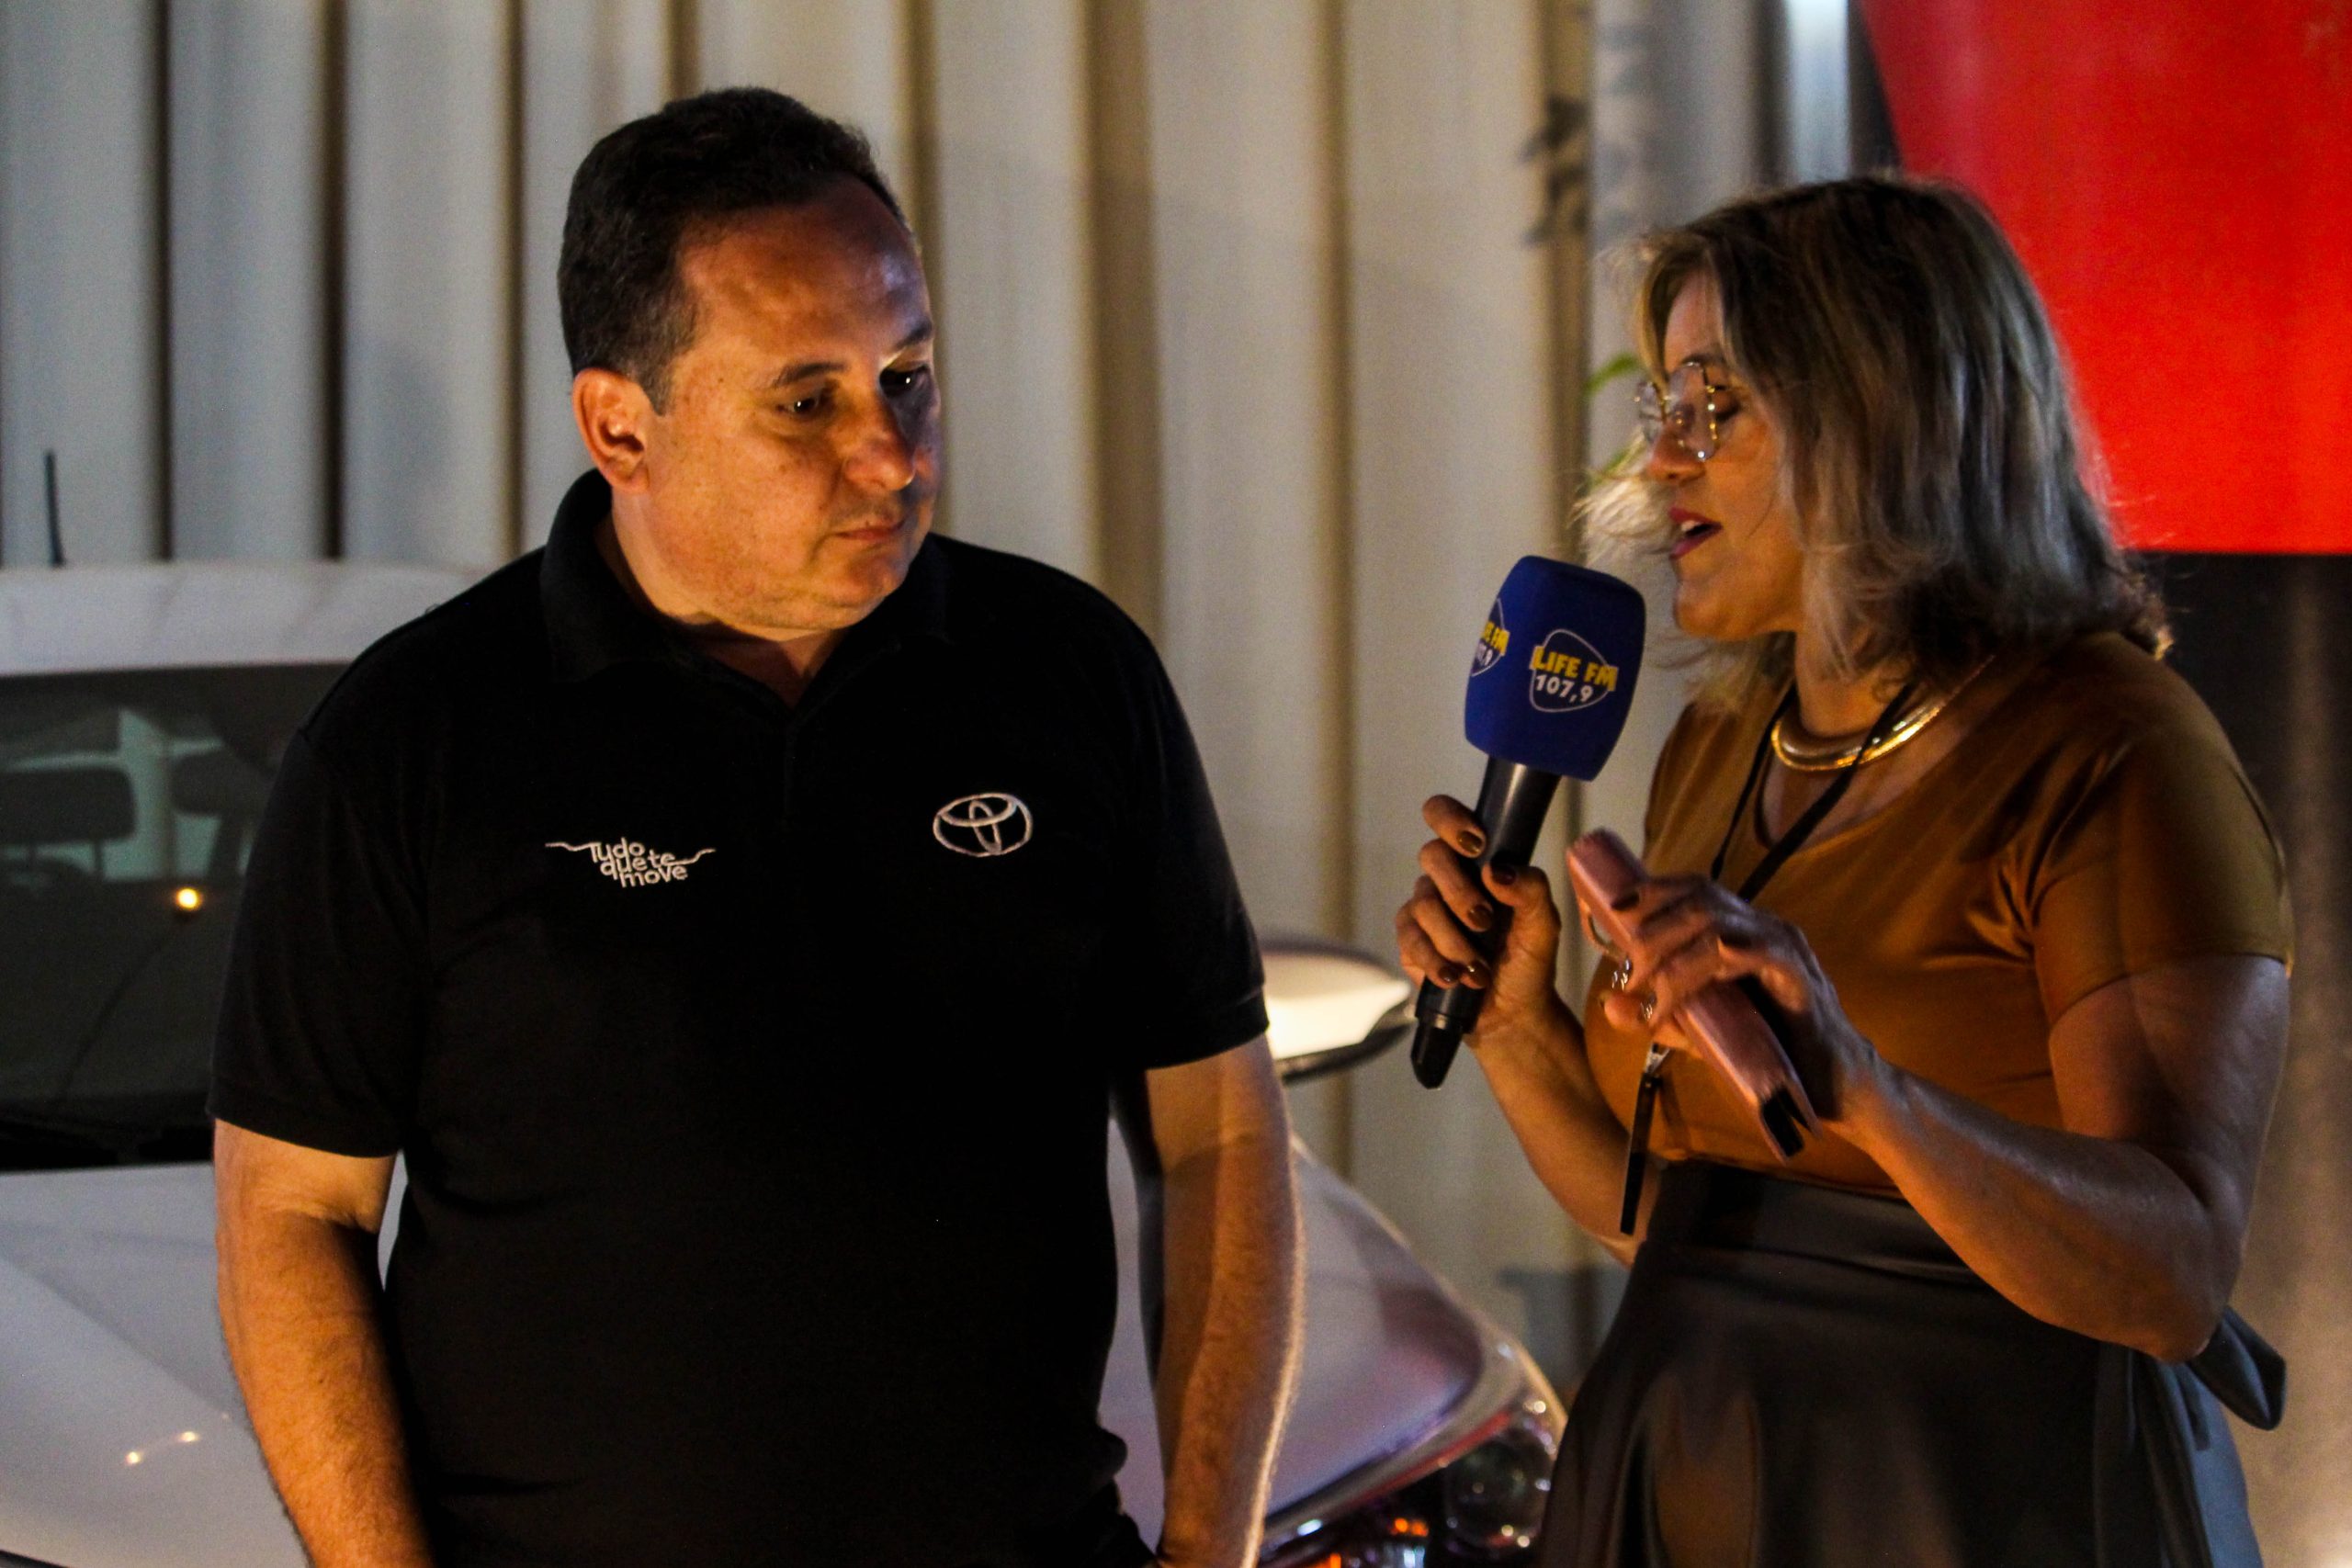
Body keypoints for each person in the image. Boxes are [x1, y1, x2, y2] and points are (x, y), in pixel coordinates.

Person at [211, 88, 1300, 1568]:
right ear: (621, 426)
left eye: (908, 376)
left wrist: (1211, 1549)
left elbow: (1220, 1128)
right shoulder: (413, 741)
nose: (893, 453)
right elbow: (291, 1212)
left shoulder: (1068, 674)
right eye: (808, 402)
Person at [1396, 175, 2291, 1566]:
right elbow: (1668, 1222)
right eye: (1663, 407)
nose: (1663, 461)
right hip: (1695, 1469)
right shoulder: (1721, 742)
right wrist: (1518, 1028)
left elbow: (2171, 1277)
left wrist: (1867, 1088)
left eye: (1715, 407)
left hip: (1975, 1500)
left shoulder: (2114, 749)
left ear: (1881, 416)